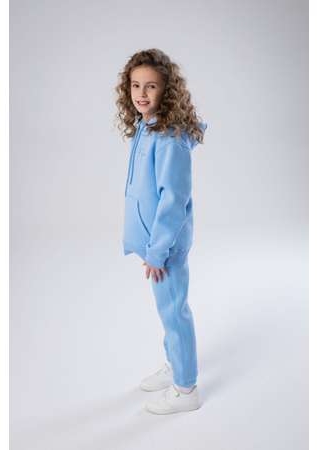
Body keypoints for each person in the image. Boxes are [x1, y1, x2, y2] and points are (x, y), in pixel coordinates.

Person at [115, 49, 207, 414]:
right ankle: (174, 365)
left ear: (166, 90)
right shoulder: (147, 127)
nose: (141, 93)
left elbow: (174, 200)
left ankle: (186, 388)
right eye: (135, 85)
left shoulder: (169, 138)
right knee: (167, 309)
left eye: (151, 86)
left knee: (173, 311)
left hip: (165, 247)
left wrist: (157, 251)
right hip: (155, 243)